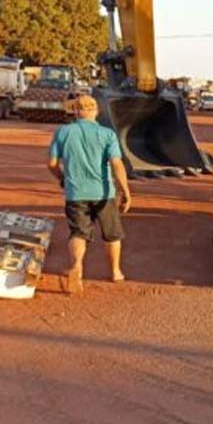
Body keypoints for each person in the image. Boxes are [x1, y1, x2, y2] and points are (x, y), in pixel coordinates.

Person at [48, 95, 132, 294]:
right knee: (112, 235)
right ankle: (115, 272)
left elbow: (51, 164)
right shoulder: (107, 134)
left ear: (75, 111)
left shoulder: (62, 132)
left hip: (75, 192)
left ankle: (77, 265)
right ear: (95, 111)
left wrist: (63, 178)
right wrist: (125, 191)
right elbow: (117, 164)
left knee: (78, 233)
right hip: (104, 193)